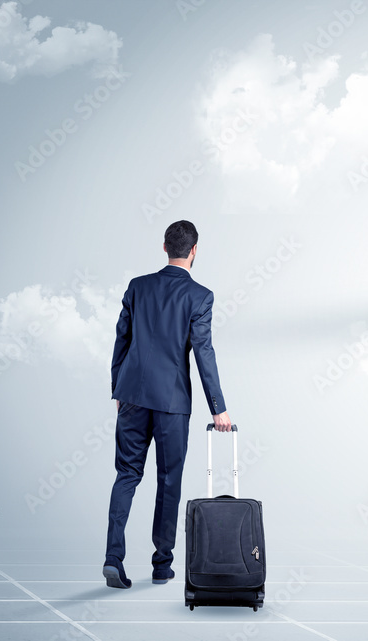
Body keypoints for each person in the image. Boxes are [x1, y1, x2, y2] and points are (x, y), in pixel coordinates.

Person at [103, 220, 231, 589]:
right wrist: (217, 407)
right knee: (168, 480)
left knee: (126, 474)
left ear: (164, 247)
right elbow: (203, 353)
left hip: (132, 395)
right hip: (173, 401)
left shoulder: (137, 287)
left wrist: (118, 389)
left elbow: (121, 340)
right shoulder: (200, 296)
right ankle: (162, 565)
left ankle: (113, 558)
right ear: (194, 251)